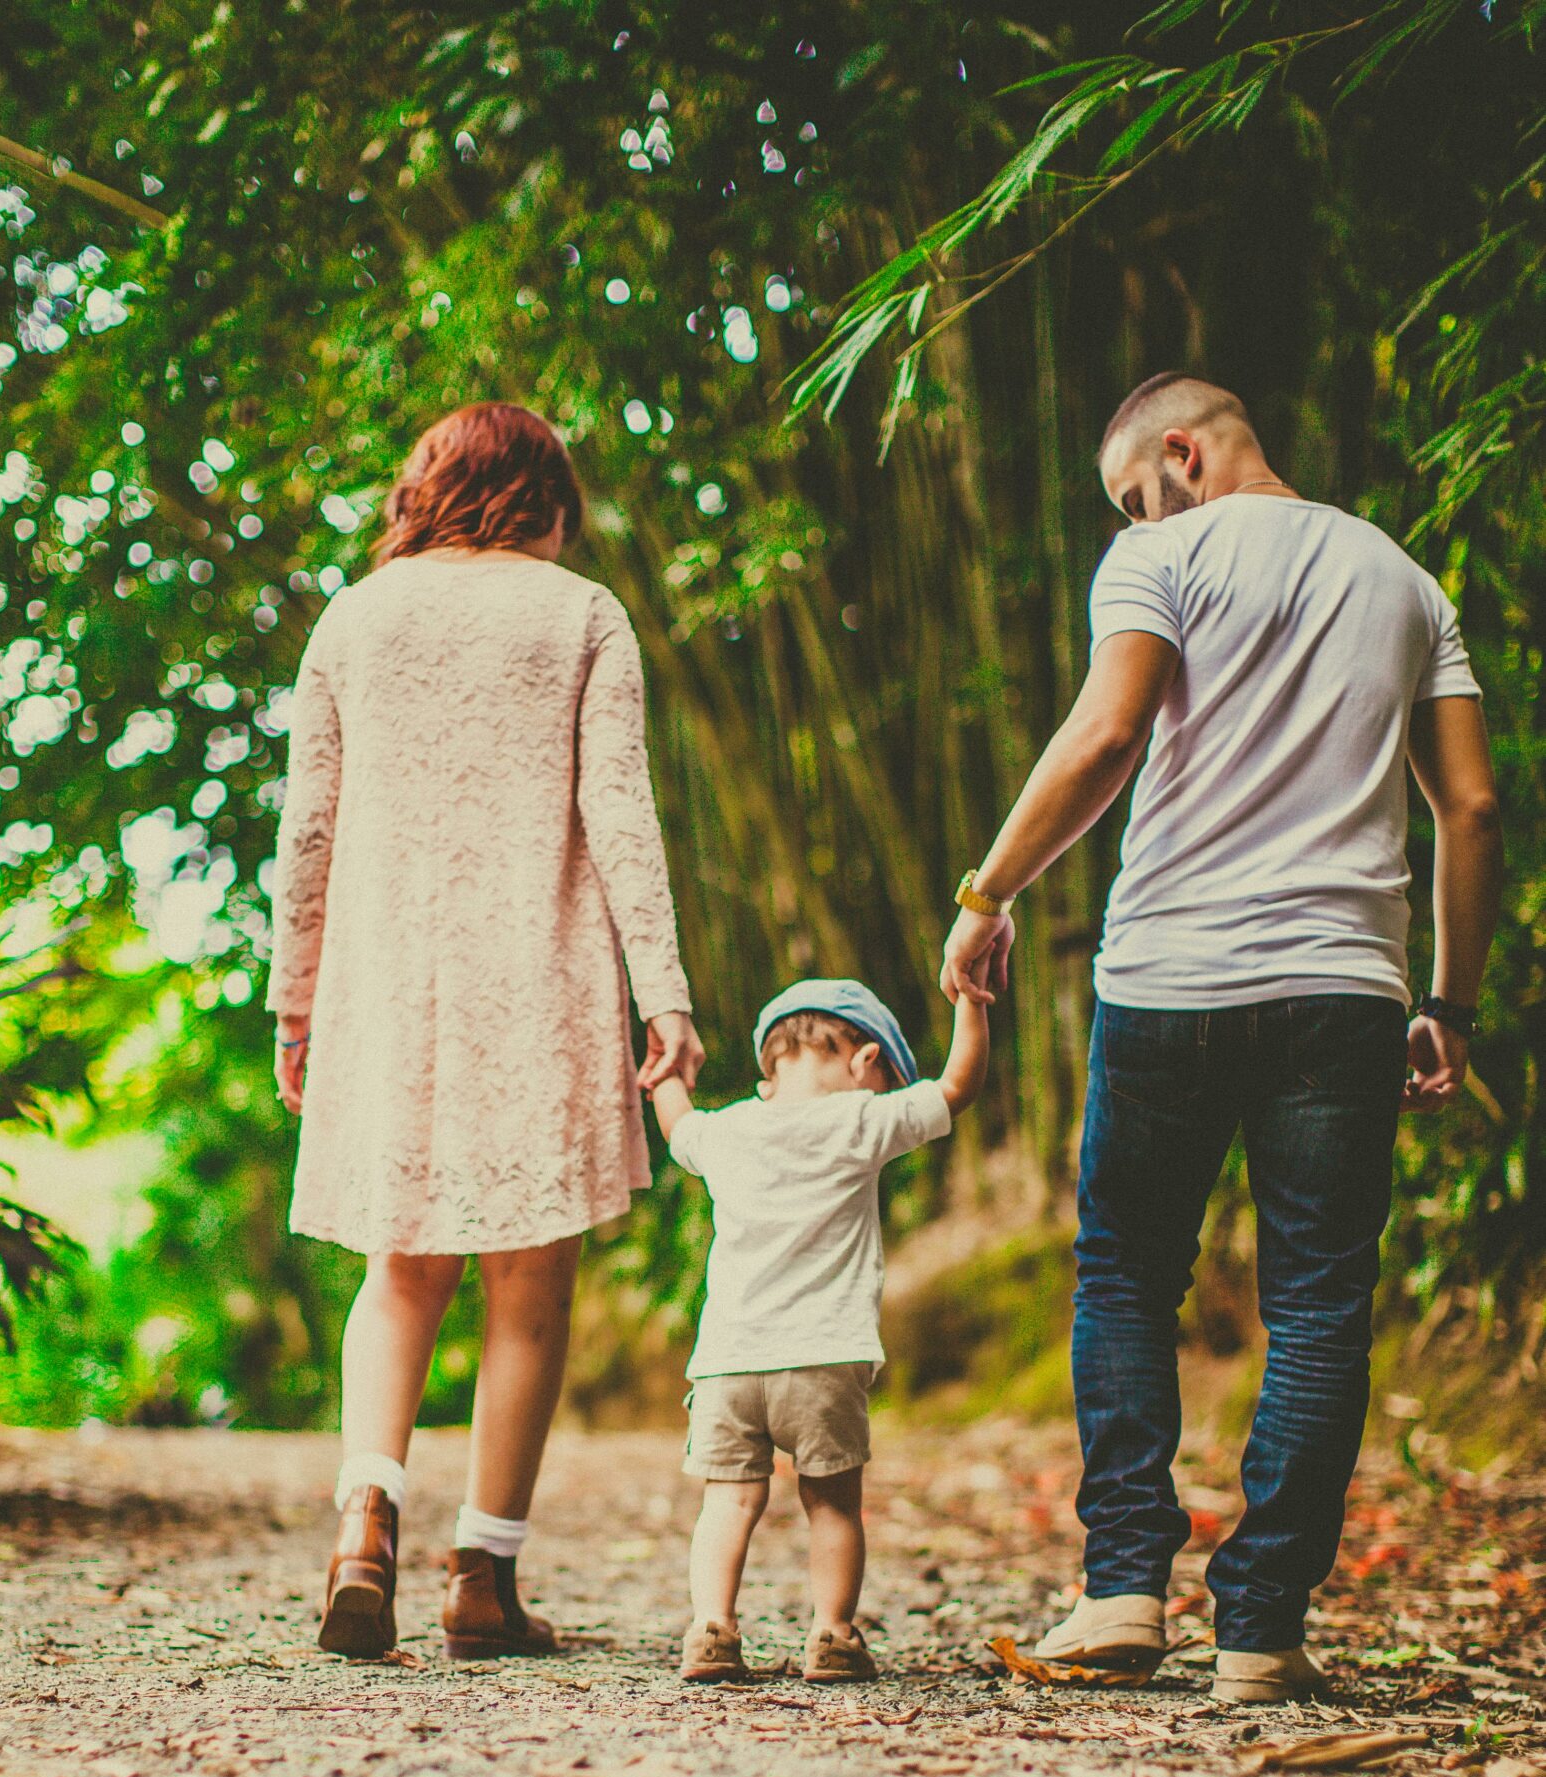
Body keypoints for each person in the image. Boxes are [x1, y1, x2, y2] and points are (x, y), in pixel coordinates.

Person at [941, 373, 1504, 1707]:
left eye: (1134, 489)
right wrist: (1448, 1004)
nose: (1134, 514)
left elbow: (1106, 732)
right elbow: (1468, 810)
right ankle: (1257, 1633)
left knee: (1125, 1277)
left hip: (1168, 980)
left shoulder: (1159, 554)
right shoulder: (1403, 581)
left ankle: (1121, 1595)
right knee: (1316, 1304)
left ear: (1180, 454)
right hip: (1343, 992)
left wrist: (985, 894)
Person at [268, 402, 703, 1661]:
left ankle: (364, 1528)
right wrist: (663, 994)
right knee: (532, 1284)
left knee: (398, 1267)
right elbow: (621, 811)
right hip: (541, 973)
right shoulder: (579, 615)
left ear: (426, 491)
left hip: (387, 982)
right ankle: (482, 1579)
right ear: (546, 498)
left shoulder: (355, 615)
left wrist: (295, 998)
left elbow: (309, 829)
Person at [655, 978, 990, 1684]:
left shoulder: (726, 1130)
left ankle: (711, 1628)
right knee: (831, 1503)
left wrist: (669, 1068)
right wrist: (971, 1001)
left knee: (729, 1501)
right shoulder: (859, 1120)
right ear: (864, 1062)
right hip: (823, 1356)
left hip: (728, 1363)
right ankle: (832, 1636)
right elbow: (958, 1084)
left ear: (768, 1066)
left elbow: (676, 1122)